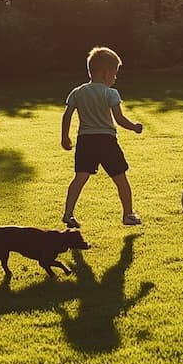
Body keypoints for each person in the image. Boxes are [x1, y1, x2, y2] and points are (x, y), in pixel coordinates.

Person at [61, 46, 144, 229]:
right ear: (106, 73)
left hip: (85, 141)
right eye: (114, 74)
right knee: (121, 179)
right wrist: (135, 127)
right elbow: (119, 119)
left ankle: (68, 214)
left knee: (80, 178)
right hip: (106, 142)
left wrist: (65, 137)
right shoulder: (110, 93)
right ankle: (128, 214)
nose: (115, 78)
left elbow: (67, 115)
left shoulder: (78, 92)